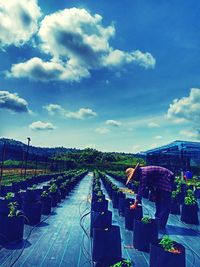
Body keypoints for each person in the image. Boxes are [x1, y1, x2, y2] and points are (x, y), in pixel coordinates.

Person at [125, 164, 174, 229]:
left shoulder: (143, 173)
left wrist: (135, 204)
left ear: (135, 173)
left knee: (164, 204)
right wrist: (154, 193)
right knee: (158, 202)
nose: (134, 179)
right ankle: (157, 221)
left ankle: (160, 224)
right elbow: (150, 184)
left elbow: (141, 189)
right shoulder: (143, 173)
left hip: (166, 178)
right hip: (159, 182)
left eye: (133, 177)